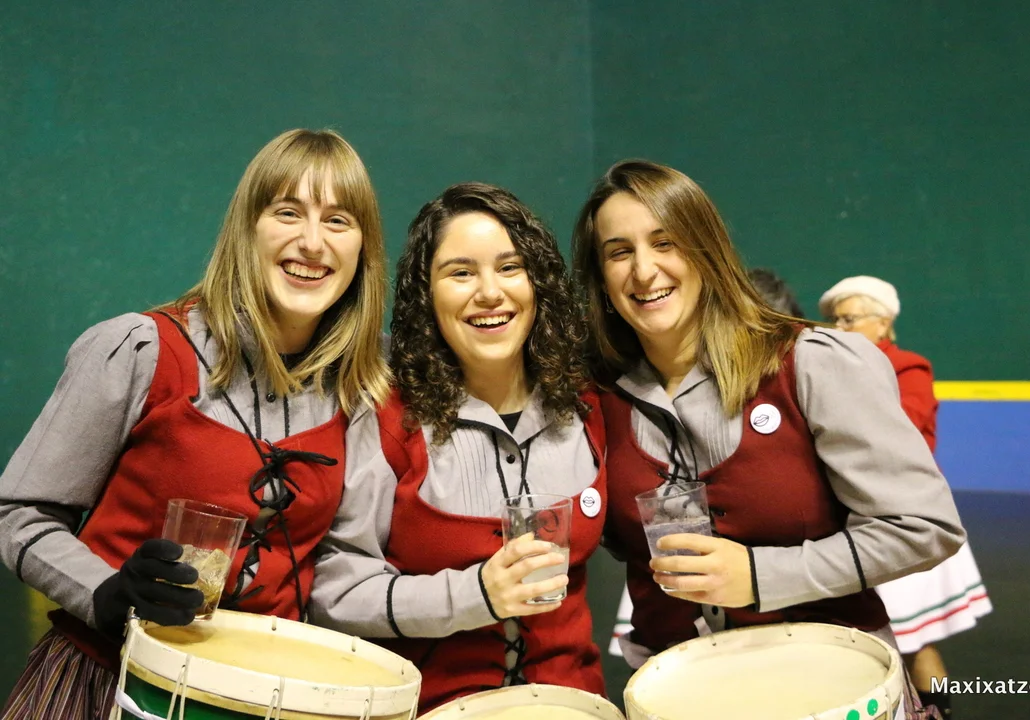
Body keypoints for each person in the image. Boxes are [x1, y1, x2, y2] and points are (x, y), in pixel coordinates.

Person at [0, 128, 390, 720]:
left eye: (338, 220)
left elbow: (342, 574)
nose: (313, 243)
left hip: (257, 703)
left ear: (363, 248)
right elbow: (18, 514)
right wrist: (106, 592)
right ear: (247, 228)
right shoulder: (140, 348)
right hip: (104, 684)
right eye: (288, 212)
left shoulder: (360, 389)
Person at [571, 160, 966, 718]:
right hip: (681, 692)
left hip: (832, 686)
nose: (644, 269)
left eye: (665, 242)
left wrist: (760, 576)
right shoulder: (596, 397)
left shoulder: (812, 362)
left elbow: (925, 527)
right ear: (600, 277)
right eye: (619, 252)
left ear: (706, 250)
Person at [309, 183, 606, 713]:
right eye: (461, 273)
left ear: (538, 282)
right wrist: (476, 595)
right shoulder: (386, 418)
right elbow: (335, 595)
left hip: (572, 705)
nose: (490, 293)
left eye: (510, 267)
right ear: (426, 294)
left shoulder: (587, 405)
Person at [819, 275, 992, 719]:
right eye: (835, 319)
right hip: (849, 523)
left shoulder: (908, 368)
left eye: (849, 318)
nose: (838, 327)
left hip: (902, 521)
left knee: (916, 640)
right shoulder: (827, 367)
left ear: (883, 323)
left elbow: (903, 431)